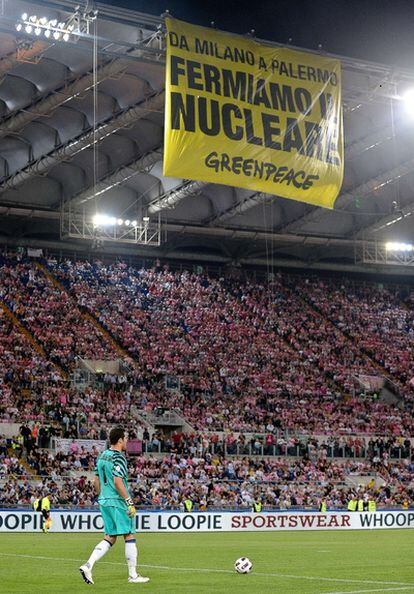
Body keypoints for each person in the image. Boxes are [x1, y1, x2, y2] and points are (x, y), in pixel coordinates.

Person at [79, 426, 149, 585]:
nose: (126, 442)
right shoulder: (119, 457)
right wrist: (129, 501)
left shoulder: (103, 455)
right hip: (118, 501)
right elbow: (118, 482)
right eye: (125, 439)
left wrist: (101, 496)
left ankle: (88, 565)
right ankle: (133, 575)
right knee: (129, 534)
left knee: (110, 537)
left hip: (104, 500)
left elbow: (96, 481)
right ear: (119, 440)